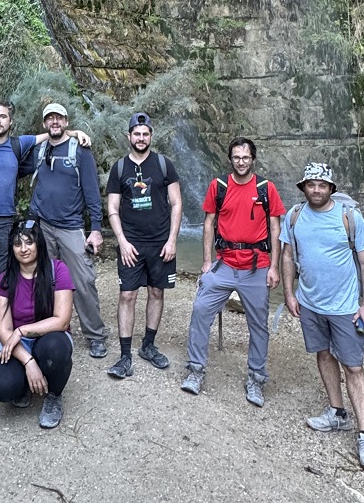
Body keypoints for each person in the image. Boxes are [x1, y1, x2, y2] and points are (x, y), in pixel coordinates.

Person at [279, 162, 364, 472]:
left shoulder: (349, 217)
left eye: (322, 185)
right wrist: (289, 294)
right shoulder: (294, 215)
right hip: (310, 304)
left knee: (354, 367)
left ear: (331, 189)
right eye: (311, 184)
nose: (316, 190)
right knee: (323, 354)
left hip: (346, 307)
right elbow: (287, 256)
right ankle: (337, 413)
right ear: (303, 187)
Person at [180, 137, 285, 406]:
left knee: (258, 324)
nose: (241, 162)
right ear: (230, 159)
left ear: (253, 160)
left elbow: (276, 228)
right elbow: (208, 223)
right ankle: (195, 369)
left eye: (245, 157)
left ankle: (256, 378)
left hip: (256, 266)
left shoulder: (266, 188)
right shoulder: (219, 186)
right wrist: (206, 262)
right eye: (237, 157)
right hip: (224, 264)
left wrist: (274, 267)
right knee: (201, 310)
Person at [0, 101, 90, 274]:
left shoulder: (19, 144)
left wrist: (74, 133)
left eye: (3, 116)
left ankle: (0, 293)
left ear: (10, 121)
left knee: (3, 271)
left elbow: (50, 135)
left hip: (5, 221)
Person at [26, 102, 109, 358]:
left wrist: (96, 229)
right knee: (43, 280)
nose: (55, 122)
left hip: (71, 227)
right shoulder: (39, 150)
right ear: (44, 123)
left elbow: (92, 192)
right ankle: (49, 329)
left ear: (66, 121)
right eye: (50, 118)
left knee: (83, 281)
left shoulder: (80, 151)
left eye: (59, 118)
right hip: (42, 226)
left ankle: (95, 335)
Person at [105, 112, 182, 379]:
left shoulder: (164, 165)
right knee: (127, 295)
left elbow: (176, 203)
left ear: (151, 136)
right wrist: (122, 242)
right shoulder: (119, 168)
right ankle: (125, 356)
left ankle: (148, 345)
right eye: (136, 134)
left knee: (156, 292)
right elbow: (112, 208)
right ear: (129, 136)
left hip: (160, 243)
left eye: (145, 134)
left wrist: (172, 240)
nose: (141, 138)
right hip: (131, 244)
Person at [0, 219, 74, 429]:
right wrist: (28, 362)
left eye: (29, 242)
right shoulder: (5, 279)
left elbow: (62, 321)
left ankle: (54, 395)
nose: (24, 249)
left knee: (56, 348)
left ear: (39, 243)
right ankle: (23, 384)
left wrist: (23, 330)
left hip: (49, 336)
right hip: (15, 343)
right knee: (1, 386)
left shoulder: (58, 270)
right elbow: (3, 329)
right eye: (18, 244)